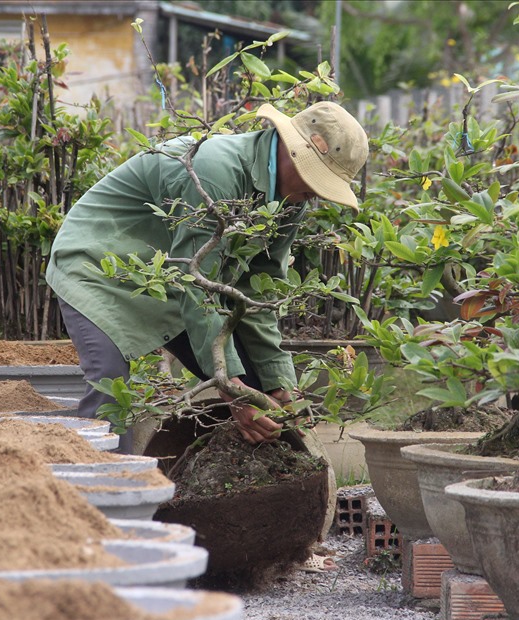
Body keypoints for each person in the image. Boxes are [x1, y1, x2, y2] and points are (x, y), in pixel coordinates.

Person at [46, 101, 369, 447]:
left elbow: (257, 290)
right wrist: (230, 387)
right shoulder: (217, 169)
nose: (318, 193)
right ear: (292, 150)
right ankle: (99, 493)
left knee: (259, 392)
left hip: (170, 279)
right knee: (111, 390)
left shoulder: (290, 202)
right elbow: (196, 285)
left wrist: (278, 383)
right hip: (98, 264)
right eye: (317, 179)